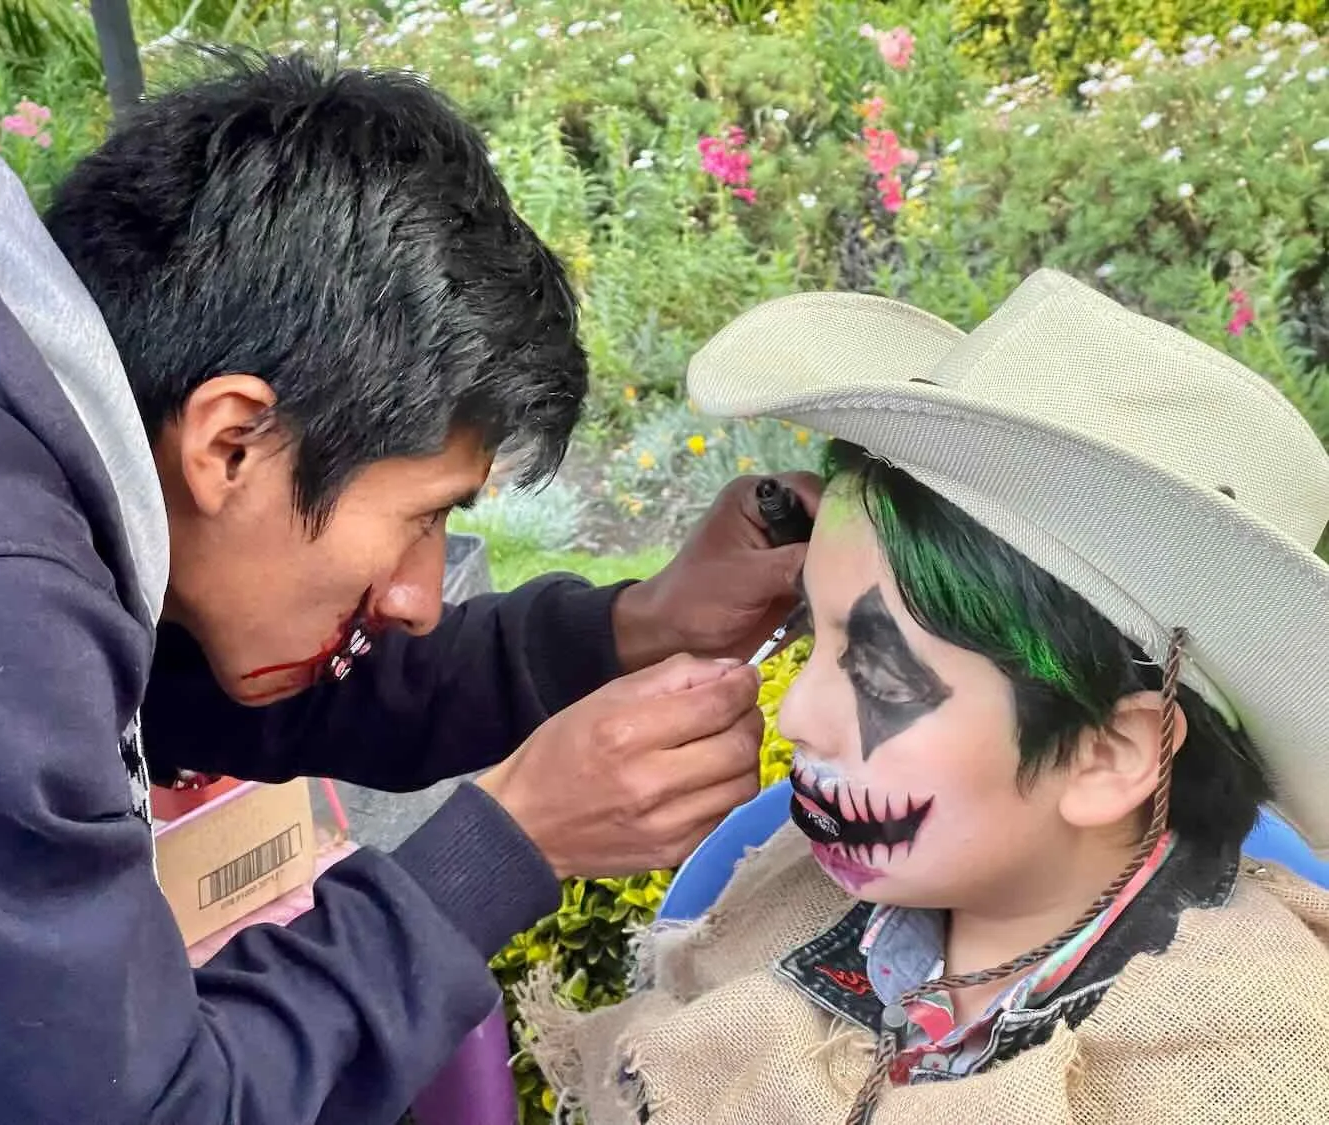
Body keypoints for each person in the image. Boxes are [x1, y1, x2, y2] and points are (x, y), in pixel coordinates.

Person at [0, 53, 820, 1124]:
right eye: (423, 517)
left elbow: (208, 687)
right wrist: (510, 842)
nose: (421, 595)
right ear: (234, 440)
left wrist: (635, 628)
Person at [518, 269, 1329, 1124]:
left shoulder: (1246, 1070)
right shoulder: (775, 908)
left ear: (1107, 754)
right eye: (811, 634)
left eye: (876, 671)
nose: (794, 714)